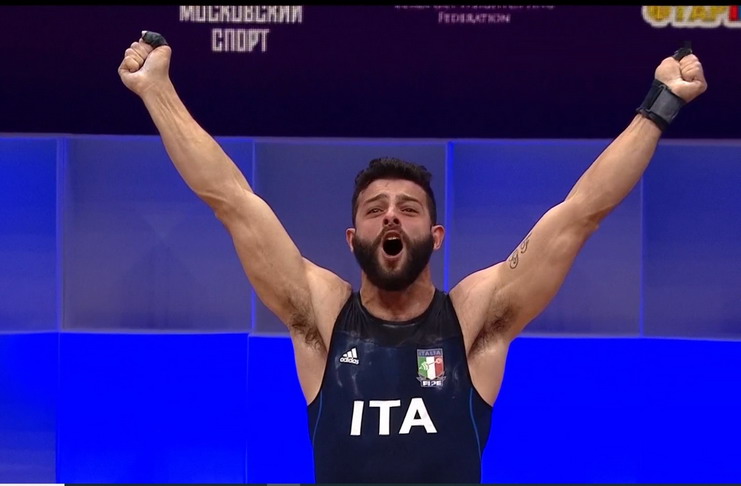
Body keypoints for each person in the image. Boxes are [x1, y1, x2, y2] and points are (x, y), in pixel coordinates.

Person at [118, 31, 707, 483]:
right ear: (352, 238)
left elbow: (580, 214)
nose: (392, 218)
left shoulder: (473, 319)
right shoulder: (322, 314)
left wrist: (662, 104)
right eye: (375, 210)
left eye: (408, 208)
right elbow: (232, 202)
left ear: (437, 235)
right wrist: (157, 91)